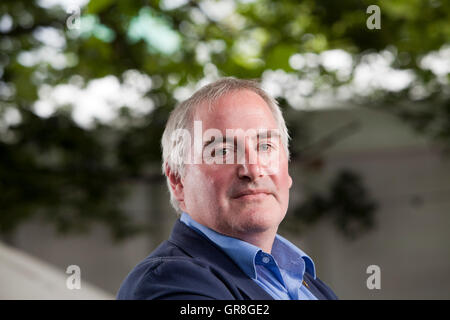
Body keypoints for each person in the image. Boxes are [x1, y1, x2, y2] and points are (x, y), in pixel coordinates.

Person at [117, 77, 338, 300]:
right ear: (178, 181)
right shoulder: (167, 283)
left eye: (265, 146)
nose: (253, 169)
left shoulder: (305, 282)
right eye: (222, 151)